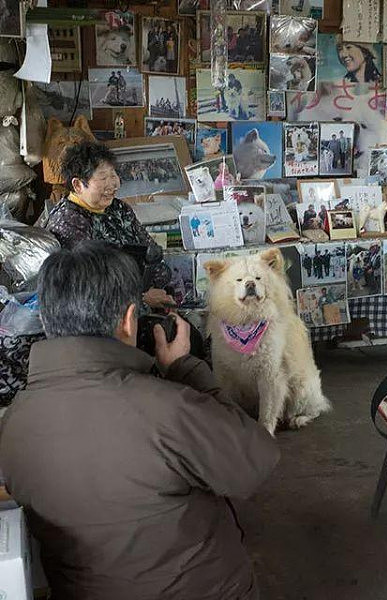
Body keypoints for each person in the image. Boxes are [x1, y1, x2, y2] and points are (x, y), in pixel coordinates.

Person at [0, 242, 280, 600]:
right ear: (129, 319)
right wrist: (186, 370)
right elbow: (256, 461)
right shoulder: (166, 408)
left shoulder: (16, 420)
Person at [45, 141, 173, 309]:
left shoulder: (119, 209)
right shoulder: (68, 222)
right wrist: (142, 299)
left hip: (140, 305)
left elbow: (152, 253)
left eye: (113, 175)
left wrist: (153, 284)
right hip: (105, 318)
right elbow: (90, 288)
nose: (114, 184)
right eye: (103, 177)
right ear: (78, 185)